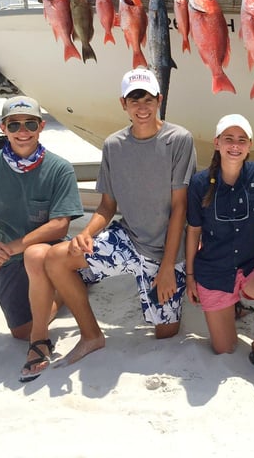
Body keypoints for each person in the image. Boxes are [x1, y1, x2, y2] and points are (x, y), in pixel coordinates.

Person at [44, 67, 197, 366]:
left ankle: (91, 280)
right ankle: (91, 335)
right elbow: (106, 206)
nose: (142, 107)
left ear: (159, 99)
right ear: (123, 104)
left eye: (148, 99)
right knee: (55, 258)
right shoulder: (113, 145)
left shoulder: (180, 139)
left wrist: (167, 266)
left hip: (165, 251)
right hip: (127, 239)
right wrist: (87, 232)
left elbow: (181, 207)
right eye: (134, 99)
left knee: (166, 332)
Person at [0, 95, 84, 382]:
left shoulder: (59, 168)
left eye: (29, 124)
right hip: (9, 257)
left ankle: (39, 342)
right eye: (14, 125)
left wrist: (6, 250)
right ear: (3, 128)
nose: (22, 131)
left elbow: (60, 225)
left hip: (50, 252)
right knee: (18, 331)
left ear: (42, 126)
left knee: (34, 254)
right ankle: (62, 294)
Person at [185, 114, 254, 381]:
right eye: (228, 139)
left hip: (252, 264)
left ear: (249, 144)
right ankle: (232, 306)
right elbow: (193, 231)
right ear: (217, 143)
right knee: (225, 349)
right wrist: (190, 277)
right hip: (214, 270)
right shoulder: (200, 183)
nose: (235, 145)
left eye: (241, 140)